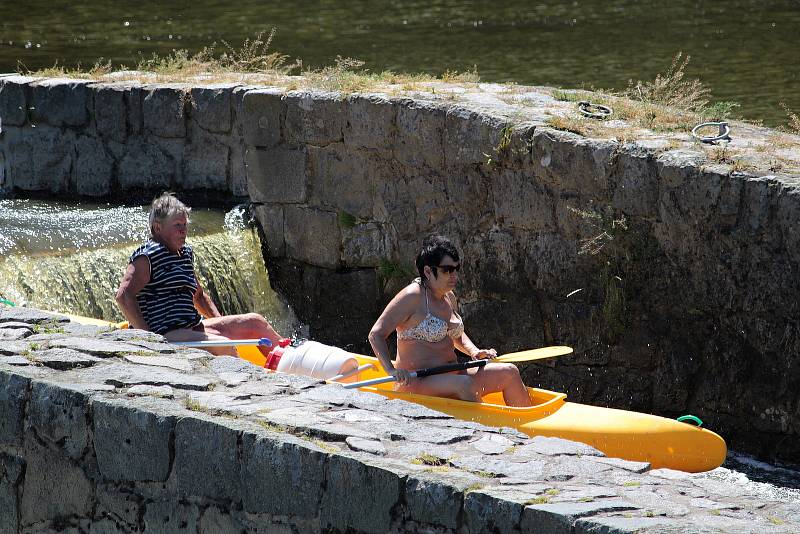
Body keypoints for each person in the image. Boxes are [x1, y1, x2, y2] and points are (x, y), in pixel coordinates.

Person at [368, 234, 532, 407]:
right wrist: (391, 370)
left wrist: (474, 351)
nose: (454, 275)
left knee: (509, 372)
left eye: (456, 268)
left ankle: (527, 426)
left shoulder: (449, 297)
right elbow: (376, 334)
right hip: (417, 382)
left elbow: (455, 335)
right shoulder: (411, 297)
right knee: (465, 384)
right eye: (447, 270)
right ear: (428, 271)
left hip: (452, 373)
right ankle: (490, 428)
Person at [115, 192, 282, 356]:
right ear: (158, 228)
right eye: (177, 225)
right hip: (165, 333)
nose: (183, 231)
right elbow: (123, 295)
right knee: (224, 345)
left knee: (255, 322)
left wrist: (221, 322)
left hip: (191, 326)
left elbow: (199, 297)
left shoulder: (184, 252)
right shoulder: (147, 256)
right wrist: (149, 338)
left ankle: (288, 357)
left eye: (184, 225)